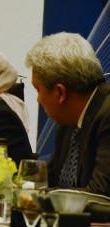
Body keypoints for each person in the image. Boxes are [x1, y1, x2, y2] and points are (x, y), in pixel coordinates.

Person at [26, 32, 110, 196]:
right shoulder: (69, 120)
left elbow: (99, 194)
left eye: (38, 90)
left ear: (60, 93)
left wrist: (38, 197)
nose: (37, 99)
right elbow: (49, 179)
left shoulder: (107, 115)